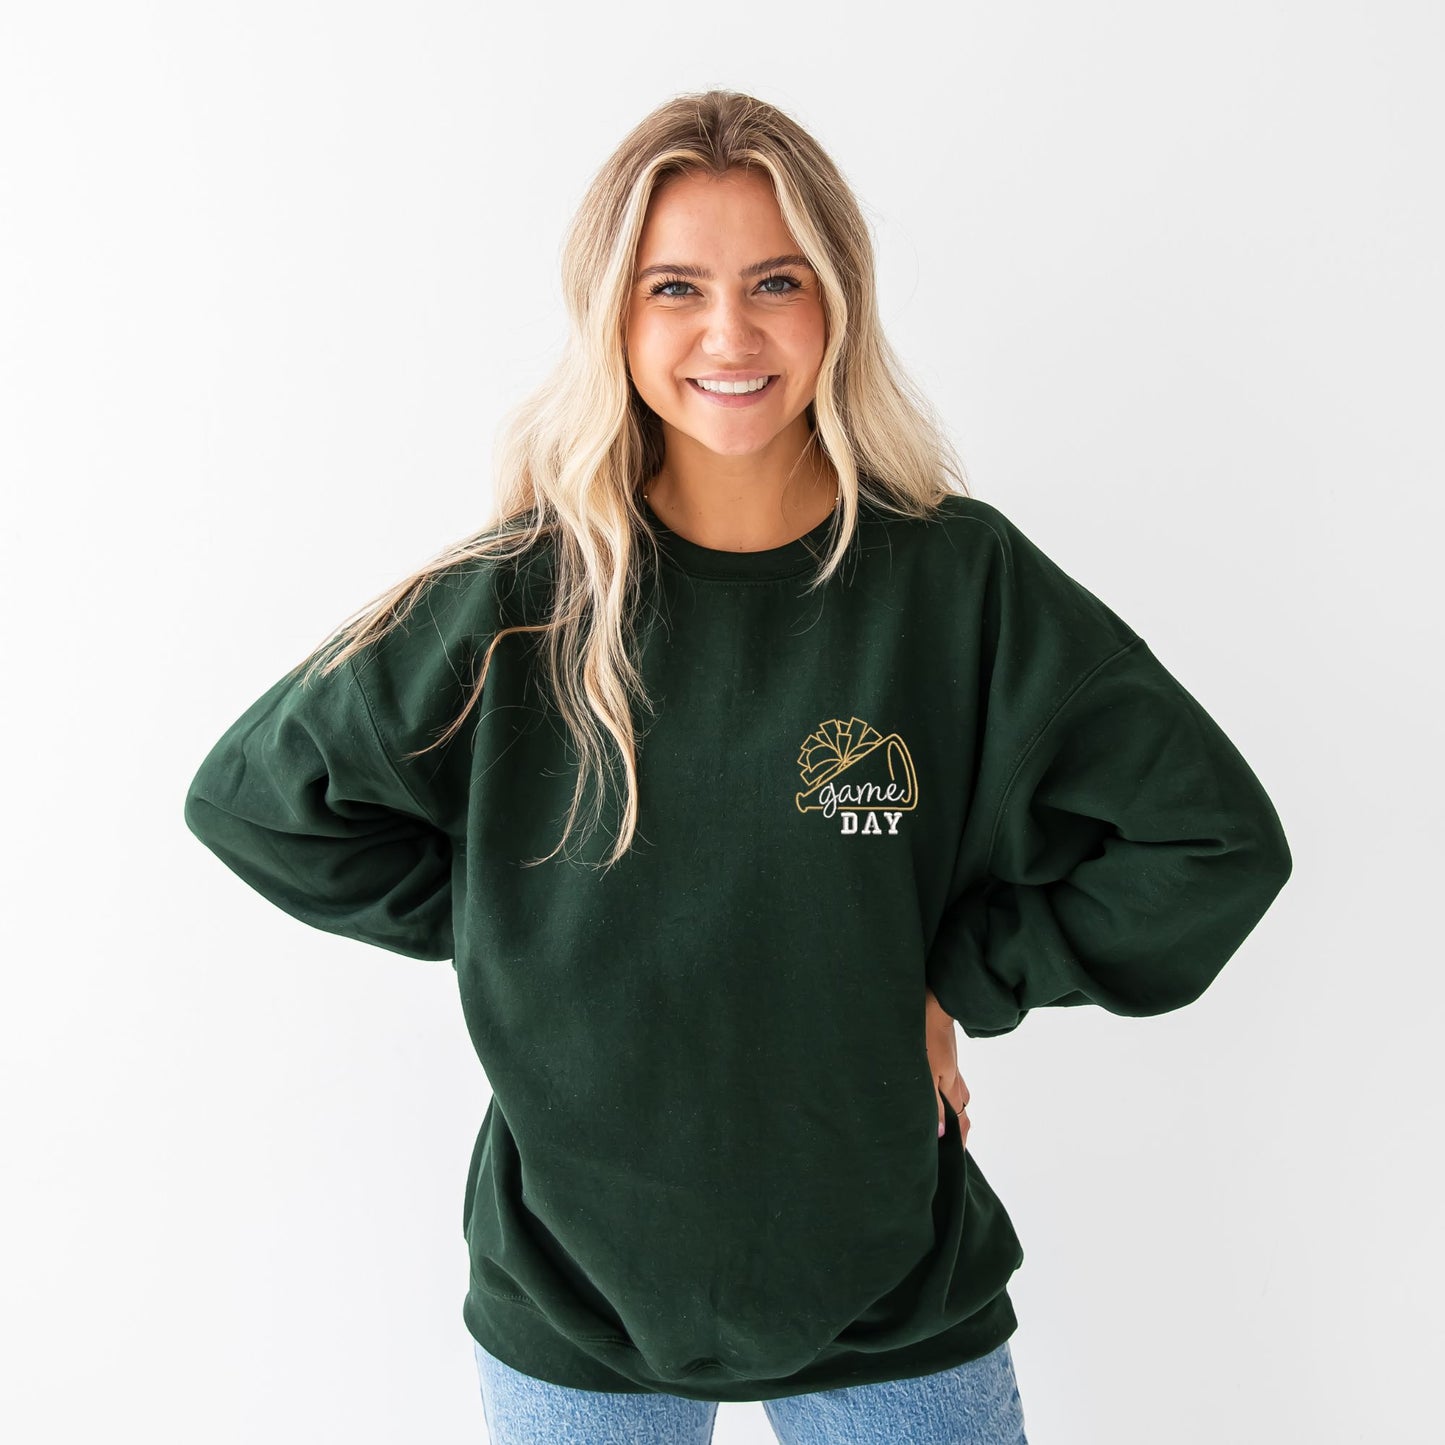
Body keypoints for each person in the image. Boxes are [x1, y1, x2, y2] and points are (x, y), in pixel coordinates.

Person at [183, 89, 1293, 1444]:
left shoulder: (955, 580)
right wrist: (520, 927)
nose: (729, 332)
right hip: (572, 1290)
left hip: (890, 1287)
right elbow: (258, 803)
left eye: (776, 280)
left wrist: (960, 969)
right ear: (614, 313)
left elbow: (1208, 842)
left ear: (838, 298)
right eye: (674, 287)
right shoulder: (518, 595)